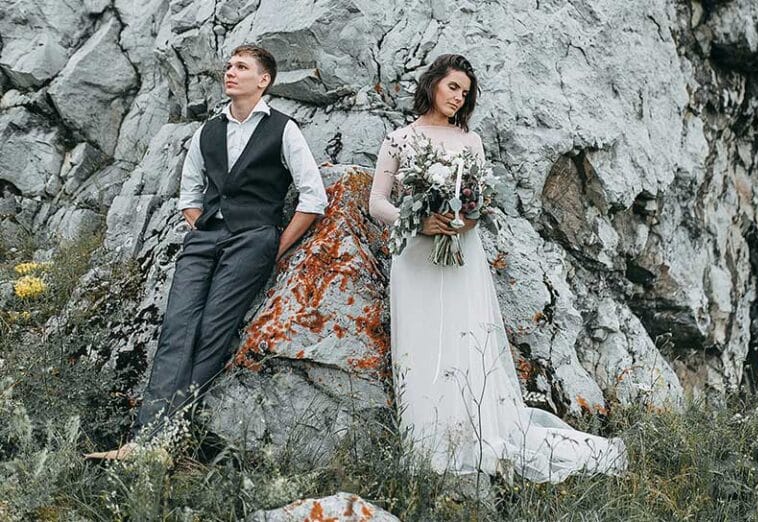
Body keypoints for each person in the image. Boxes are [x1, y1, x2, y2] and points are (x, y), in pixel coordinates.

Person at [369, 54, 627, 483]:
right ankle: (429, 442)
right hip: (414, 257)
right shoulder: (398, 140)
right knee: (421, 339)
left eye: (465, 93)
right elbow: (377, 203)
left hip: (461, 254)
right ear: (433, 83)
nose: (458, 97)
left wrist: (465, 220)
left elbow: (477, 202)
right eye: (453, 87)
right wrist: (417, 222)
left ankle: (475, 432)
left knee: (464, 338)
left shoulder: (469, 141)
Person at [87, 44, 327, 459]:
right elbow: (189, 194)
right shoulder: (208, 131)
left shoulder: (284, 129)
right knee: (176, 329)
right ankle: (145, 442)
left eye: (241, 67)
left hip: (254, 240)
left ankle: (160, 441)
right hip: (204, 239)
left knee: (213, 332)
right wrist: (203, 226)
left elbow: (313, 198)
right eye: (229, 66)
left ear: (264, 80)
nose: (230, 72)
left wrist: (276, 246)